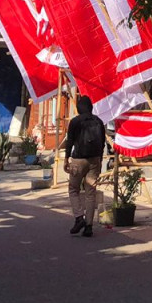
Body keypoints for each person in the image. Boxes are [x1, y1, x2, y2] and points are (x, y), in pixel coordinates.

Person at [62, 96, 105, 238]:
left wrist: (66, 159)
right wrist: (99, 159)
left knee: (73, 189)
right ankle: (89, 226)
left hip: (78, 160)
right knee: (90, 192)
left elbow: (69, 142)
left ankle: (79, 217)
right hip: (95, 160)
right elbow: (103, 142)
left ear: (79, 108)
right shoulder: (98, 121)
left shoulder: (75, 122)